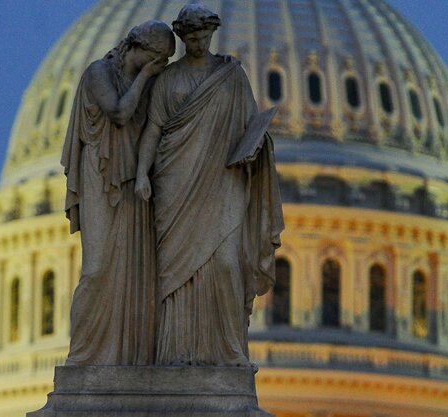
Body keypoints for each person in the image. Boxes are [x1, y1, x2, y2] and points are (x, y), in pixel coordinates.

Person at [135, 4, 284, 367]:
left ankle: (228, 351)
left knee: (225, 264)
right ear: (182, 38)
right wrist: (141, 173)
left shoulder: (231, 76)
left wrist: (256, 148)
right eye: (191, 38)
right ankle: (175, 352)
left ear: (212, 35)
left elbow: (252, 125)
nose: (198, 42)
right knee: (173, 272)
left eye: (203, 36)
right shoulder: (168, 79)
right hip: (175, 183)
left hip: (223, 180)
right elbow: (153, 128)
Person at [61, 20, 175, 366]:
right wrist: (145, 77)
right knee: (97, 269)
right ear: (137, 48)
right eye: (157, 59)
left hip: (133, 182)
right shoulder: (99, 72)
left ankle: (128, 356)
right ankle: (84, 357)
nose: (161, 67)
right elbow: (119, 112)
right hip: (100, 174)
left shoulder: (152, 83)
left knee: (133, 272)